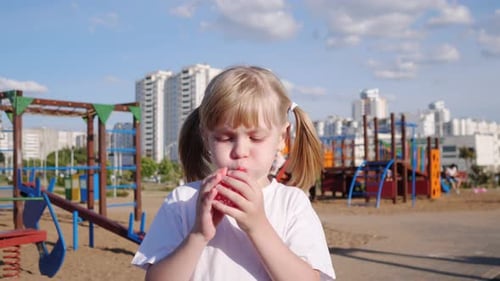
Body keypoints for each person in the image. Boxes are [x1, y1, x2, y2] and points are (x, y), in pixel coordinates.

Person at [132, 65, 336, 281]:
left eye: (256, 138)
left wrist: (258, 226)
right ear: (206, 138)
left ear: (281, 138)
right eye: (225, 138)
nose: (240, 151)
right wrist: (198, 235)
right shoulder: (183, 201)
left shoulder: (292, 203)